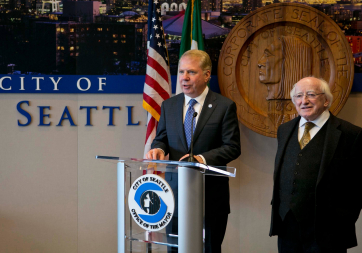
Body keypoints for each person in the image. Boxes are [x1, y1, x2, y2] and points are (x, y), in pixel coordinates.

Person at [146, 49, 241, 253]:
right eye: (181, 72)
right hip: (176, 193)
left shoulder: (224, 106)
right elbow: (161, 138)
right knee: (175, 249)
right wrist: (158, 149)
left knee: (210, 248)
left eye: (191, 72)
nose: (184, 78)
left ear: (207, 75)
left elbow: (233, 147)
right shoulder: (169, 106)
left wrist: (202, 158)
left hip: (211, 195)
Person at [269, 76, 362, 253]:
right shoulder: (284, 130)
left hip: (328, 232)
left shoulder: (351, 134)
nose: (304, 101)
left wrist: (342, 221)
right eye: (298, 96)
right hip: (287, 227)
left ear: (326, 100)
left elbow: (357, 187)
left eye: (311, 94)